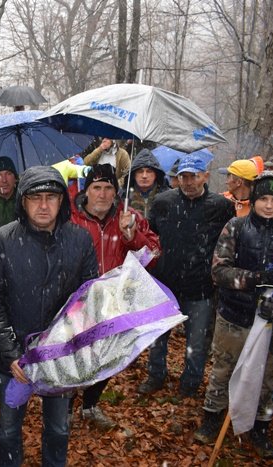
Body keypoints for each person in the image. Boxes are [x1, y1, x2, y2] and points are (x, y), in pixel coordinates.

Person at [0, 166, 98, 466]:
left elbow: (89, 298)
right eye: (35, 198)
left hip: (60, 355)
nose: (43, 205)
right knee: (9, 427)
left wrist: (69, 346)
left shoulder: (80, 239)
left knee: (58, 428)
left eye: (51, 197)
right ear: (23, 201)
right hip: (15, 357)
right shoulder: (2, 240)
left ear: (62, 201)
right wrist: (11, 353)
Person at [194, 171, 273, 459]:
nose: (269, 205)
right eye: (263, 199)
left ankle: (259, 426)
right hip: (235, 316)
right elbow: (219, 272)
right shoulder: (236, 227)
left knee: (268, 376)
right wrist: (257, 279)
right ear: (254, 199)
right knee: (223, 369)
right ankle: (213, 416)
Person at [70, 163, 161, 430]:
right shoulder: (70, 218)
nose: (102, 194)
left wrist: (131, 235)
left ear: (115, 192)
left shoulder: (129, 217)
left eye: (108, 188)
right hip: (77, 302)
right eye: (96, 187)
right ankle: (65, 406)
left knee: (107, 357)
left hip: (116, 303)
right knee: (73, 356)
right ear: (86, 191)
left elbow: (153, 256)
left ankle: (90, 404)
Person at [138, 155, 234, 396]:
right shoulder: (163, 201)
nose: (188, 182)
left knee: (196, 343)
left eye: (194, 176)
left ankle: (191, 383)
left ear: (205, 176)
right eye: (183, 177)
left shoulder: (220, 206)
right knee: (158, 338)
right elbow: (149, 235)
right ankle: (156, 375)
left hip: (200, 286)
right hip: (165, 284)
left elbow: (229, 242)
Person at [119, 149, 169, 217]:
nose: (144, 176)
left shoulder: (167, 196)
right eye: (140, 171)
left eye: (149, 171)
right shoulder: (123, 196)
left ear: (156, 174)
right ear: (134, 175)